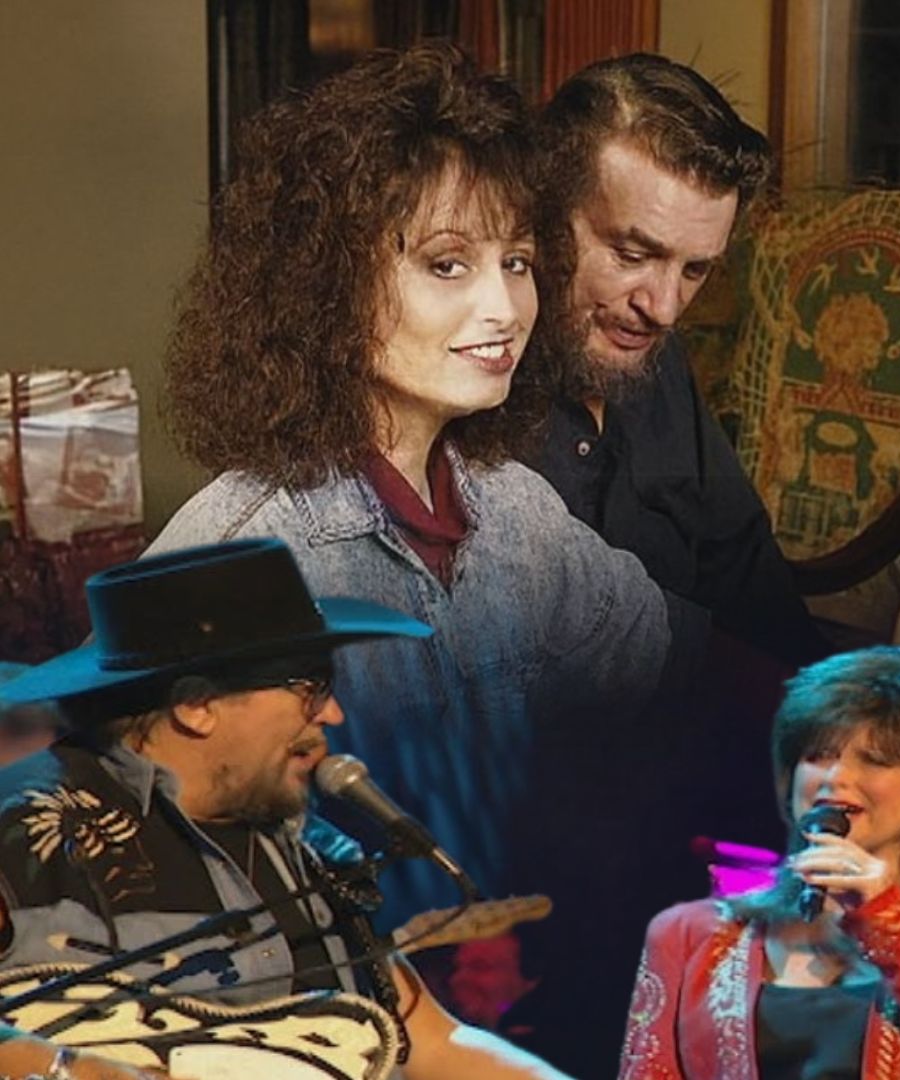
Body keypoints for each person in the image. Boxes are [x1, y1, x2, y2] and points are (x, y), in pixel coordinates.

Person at [146, 44, 672, 923]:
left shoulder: (518, 511)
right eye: (446, 264)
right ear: (329, 289)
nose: (504, 309)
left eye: (517, 261)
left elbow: (656, 660)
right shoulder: (234, 555)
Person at [0, 538, 573, 1080]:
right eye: (311, 687)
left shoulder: (307, 848)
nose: (332, 714)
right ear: (197, 705)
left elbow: (428, 1040)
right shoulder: (37, 830)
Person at [619, 645, 900, 1079]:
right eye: (818, 755)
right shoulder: (687, 934)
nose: (836, 778)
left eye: (876, 759)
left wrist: (888, 916)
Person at [530, 53, 829, 668]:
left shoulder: (655, 364)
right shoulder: (464, 384)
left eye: (695, 269)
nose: (664, 309)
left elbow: (750, 577)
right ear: (544, 219)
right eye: (633, 254)